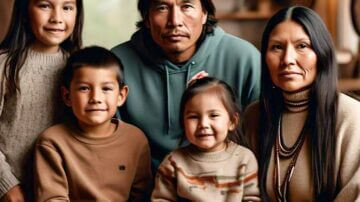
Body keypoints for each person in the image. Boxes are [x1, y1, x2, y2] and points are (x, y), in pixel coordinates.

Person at [111, 0, 261, 171]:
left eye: (187, 6)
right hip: (143, 187)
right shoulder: (117, 64)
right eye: (162, 8)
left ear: (204, 14)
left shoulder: (245, 58)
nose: (175, 21)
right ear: (147, 18)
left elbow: (263, 139)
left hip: (225, 184)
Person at [242, 6, 360, 201]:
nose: (288, 59)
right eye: (277, 47)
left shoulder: (351, 117)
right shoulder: (253, 117)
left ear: (322, 54)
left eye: (302, 46)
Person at [33, 46, 152, 201]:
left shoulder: (136, 140)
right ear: (67, 96)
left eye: (106, 89)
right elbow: (52, 198)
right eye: (84, 88)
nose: (95, 97)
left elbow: (141, 196)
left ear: (121, 96)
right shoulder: (52, 142)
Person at [0, 0, 83, 201]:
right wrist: (6, 185)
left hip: (62, 191)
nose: (57, 18)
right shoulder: (4, 65)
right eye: (45, 6)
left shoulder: (81, 66)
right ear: (25, 10)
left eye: (67, 7)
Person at [152, 77, 260, 201]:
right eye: (193, 117)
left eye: (213, 115)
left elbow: (252, 198)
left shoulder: (244, 159)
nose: (203, 124)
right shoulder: (173, 162)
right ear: (183, 122)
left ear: (232, 121)